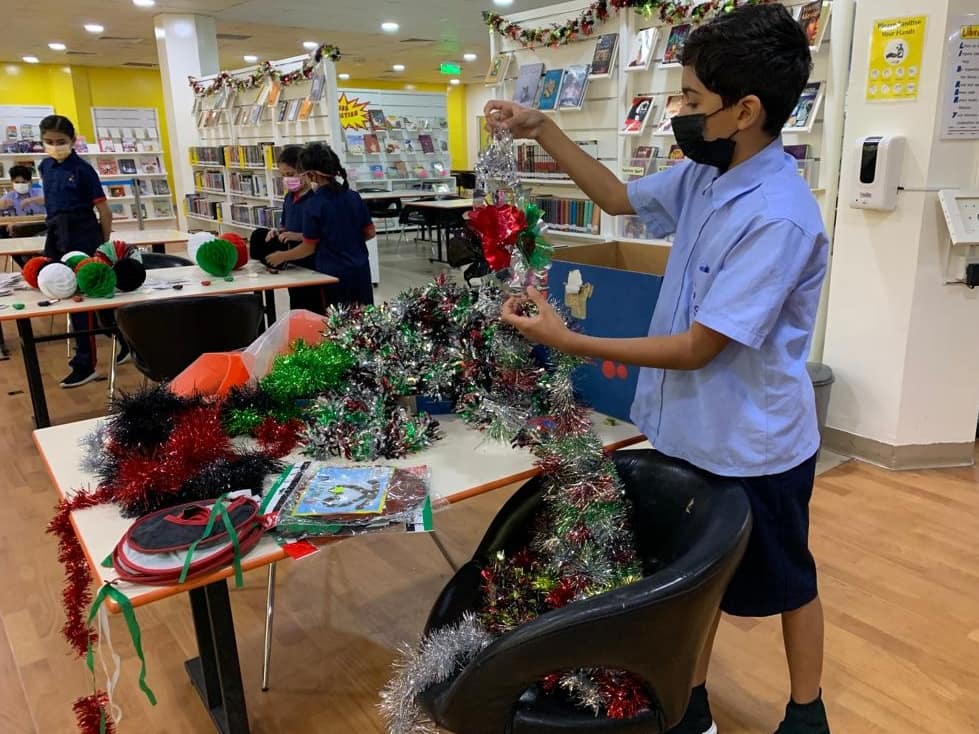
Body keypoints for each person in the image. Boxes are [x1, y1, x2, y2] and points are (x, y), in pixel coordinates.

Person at [486, 5, 830, 734]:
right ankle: (690, 698)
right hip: (680, 430)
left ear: (745, 111)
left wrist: (566, 339)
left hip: (751, 445)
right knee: (691, 584)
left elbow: (701, 347)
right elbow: (614, 198)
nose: (679, 112)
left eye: (692, 101)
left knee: (785, 581)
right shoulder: (704, 176)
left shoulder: (778, 216)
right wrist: (541, 128)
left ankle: (806, 709)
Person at [38, 115, 127, 388]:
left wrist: (102, 245)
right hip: (56, 232)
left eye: (61, 142)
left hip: (83, 233)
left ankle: (85, 363)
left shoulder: (84, 170)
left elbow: (104, 212)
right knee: (59, 288)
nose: (55, 146)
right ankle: (128, 340)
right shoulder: (45, 166)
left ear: (73, 141)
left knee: (82, 300)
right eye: (49, 142)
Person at [266, 142, 375, 309]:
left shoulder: (315, 204)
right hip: (360, 268)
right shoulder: (353, 196)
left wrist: (281, 256)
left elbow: (308, 248)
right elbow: (369, 232)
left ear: (311, 174)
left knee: (336, 323)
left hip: (331, 273)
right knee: (364, 319)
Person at [248, 145, 322, 312]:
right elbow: (286, 225)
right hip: (293, 264)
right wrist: (278, 232)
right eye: (283, 176)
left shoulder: (317, 198)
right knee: (296, 306)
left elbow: (322, 235)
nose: (287, 179)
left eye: (290, 174)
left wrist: (298, 236)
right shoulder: (289, 197)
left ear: (305, 172)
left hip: (314, 265)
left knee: (313, 309)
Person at [0, 165, 47, 254]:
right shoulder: (8, 197)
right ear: (11, 182)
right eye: (17, 182)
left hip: (40, 227)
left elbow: (50, 199)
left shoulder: (39, 192)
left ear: (30, 182)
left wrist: (31, 200)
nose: (20, 185)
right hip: (18, 233)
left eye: (24, 182)